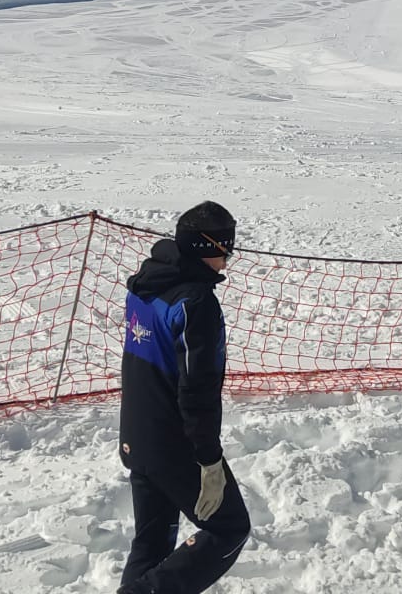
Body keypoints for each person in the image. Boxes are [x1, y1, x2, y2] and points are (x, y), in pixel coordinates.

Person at [119, 201, 249, 594]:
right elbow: (197, 392)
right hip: (174, 444)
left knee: (153, 544)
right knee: (229, 529)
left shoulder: (146, 283)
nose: (228, 259)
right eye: (225, 248)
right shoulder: (195, 304)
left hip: (137, 436)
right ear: (205, 247)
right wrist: (209, 461)